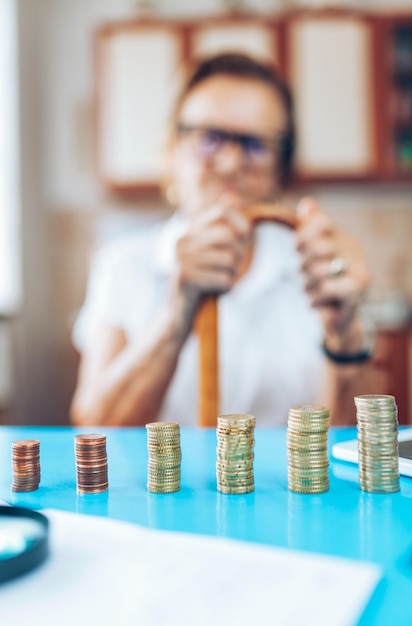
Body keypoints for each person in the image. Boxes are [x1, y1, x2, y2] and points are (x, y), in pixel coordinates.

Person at [70, 52, 372, 427]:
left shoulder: (316, 269)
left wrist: (343, 334)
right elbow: (95, 426)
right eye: (209, 138)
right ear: (171, 150)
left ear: (281, 168)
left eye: (254, 145)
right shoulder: (122, 265)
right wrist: (176, 313)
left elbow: (341, 443)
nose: (230, 165)